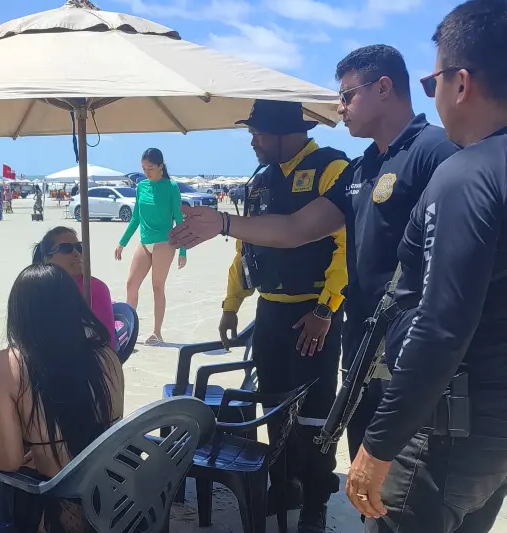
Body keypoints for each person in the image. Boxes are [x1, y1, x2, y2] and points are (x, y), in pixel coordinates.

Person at [170, 45, 459, 463]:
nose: (339, 108)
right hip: (363, 345)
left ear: (383, 88)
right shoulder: (363, 168)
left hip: (412, 354)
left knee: (403, 476)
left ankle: (311, 491)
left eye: (346, 95)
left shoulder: (436, 152)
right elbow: (296, 229)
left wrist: (326, 308)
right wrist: (223, 223)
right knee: (363, 470)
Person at [347, 2, 507, 531]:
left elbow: (440, 325)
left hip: (448, 429)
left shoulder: (466, 175)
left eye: (430, 80)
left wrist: (380, 443)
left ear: (460, 83)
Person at [218, 100, 349, 532]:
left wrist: (325, 309)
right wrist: (232, 305)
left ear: (282, 133)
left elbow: (347, 246)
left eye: (257, 133)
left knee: (314, 414)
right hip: (270, 312)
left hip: (314, 315)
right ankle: (284, 485)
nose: (253, 142)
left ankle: (315, 502)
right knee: (274, 407)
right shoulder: (259, 181)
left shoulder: (331, 169)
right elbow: (245, 248)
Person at [0, 264, 124, 533]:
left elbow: (9, 460)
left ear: (19, 312)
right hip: (118, 495)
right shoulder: (106, 355)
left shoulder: (6, 364)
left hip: (59, 507)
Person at [115, 148, 187, 346]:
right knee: (131, 285)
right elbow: (136, 217)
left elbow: (179, 219)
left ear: (161, 166)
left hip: (164, 242)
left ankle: (157, 333)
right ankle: (128, 331)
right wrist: (122, 242)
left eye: (151, 168)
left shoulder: (171, 187)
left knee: (157, 287)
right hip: (144, 241)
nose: (146, 172)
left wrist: (183, 250)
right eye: (144, 168)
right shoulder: (141, 186)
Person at [32, 227, 116, 350]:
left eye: (79, 247)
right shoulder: (35, 287)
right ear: (47, 258)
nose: (77, 253)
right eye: (66, 248)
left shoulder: (95, 288)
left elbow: (106, 342)